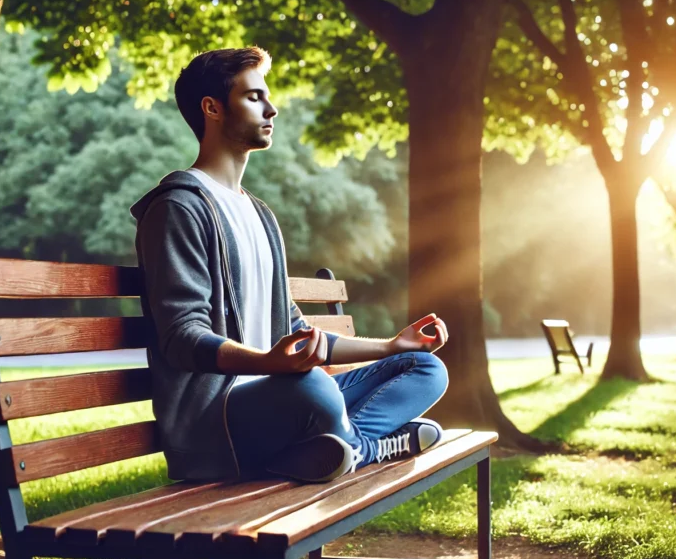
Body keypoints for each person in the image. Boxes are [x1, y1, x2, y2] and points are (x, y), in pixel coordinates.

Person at [129, 47, 449, 484]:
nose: (272, 108)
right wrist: (268, 363)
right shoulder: (178, 209)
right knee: (314, 387)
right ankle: (367, 447)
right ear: (212, 108)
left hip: (280, 396)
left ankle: (339, 449)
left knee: (424, 368)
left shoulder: (259, 214)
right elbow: (182, 337)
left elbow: (296, 332)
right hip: (216, 424)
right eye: (254, 96)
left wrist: (393, 346)